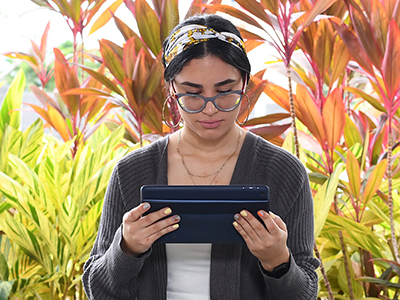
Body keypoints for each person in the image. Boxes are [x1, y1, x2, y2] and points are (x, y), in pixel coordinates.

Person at [82, 14, 320, 300]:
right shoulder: (132, 172)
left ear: (244, 82)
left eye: (224, 91)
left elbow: (304, 293)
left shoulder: (283, 171)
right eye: (192, 93)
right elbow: (98, 290)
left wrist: (278, 261)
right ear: (171, 87)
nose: (210, 109)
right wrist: (126, 248)